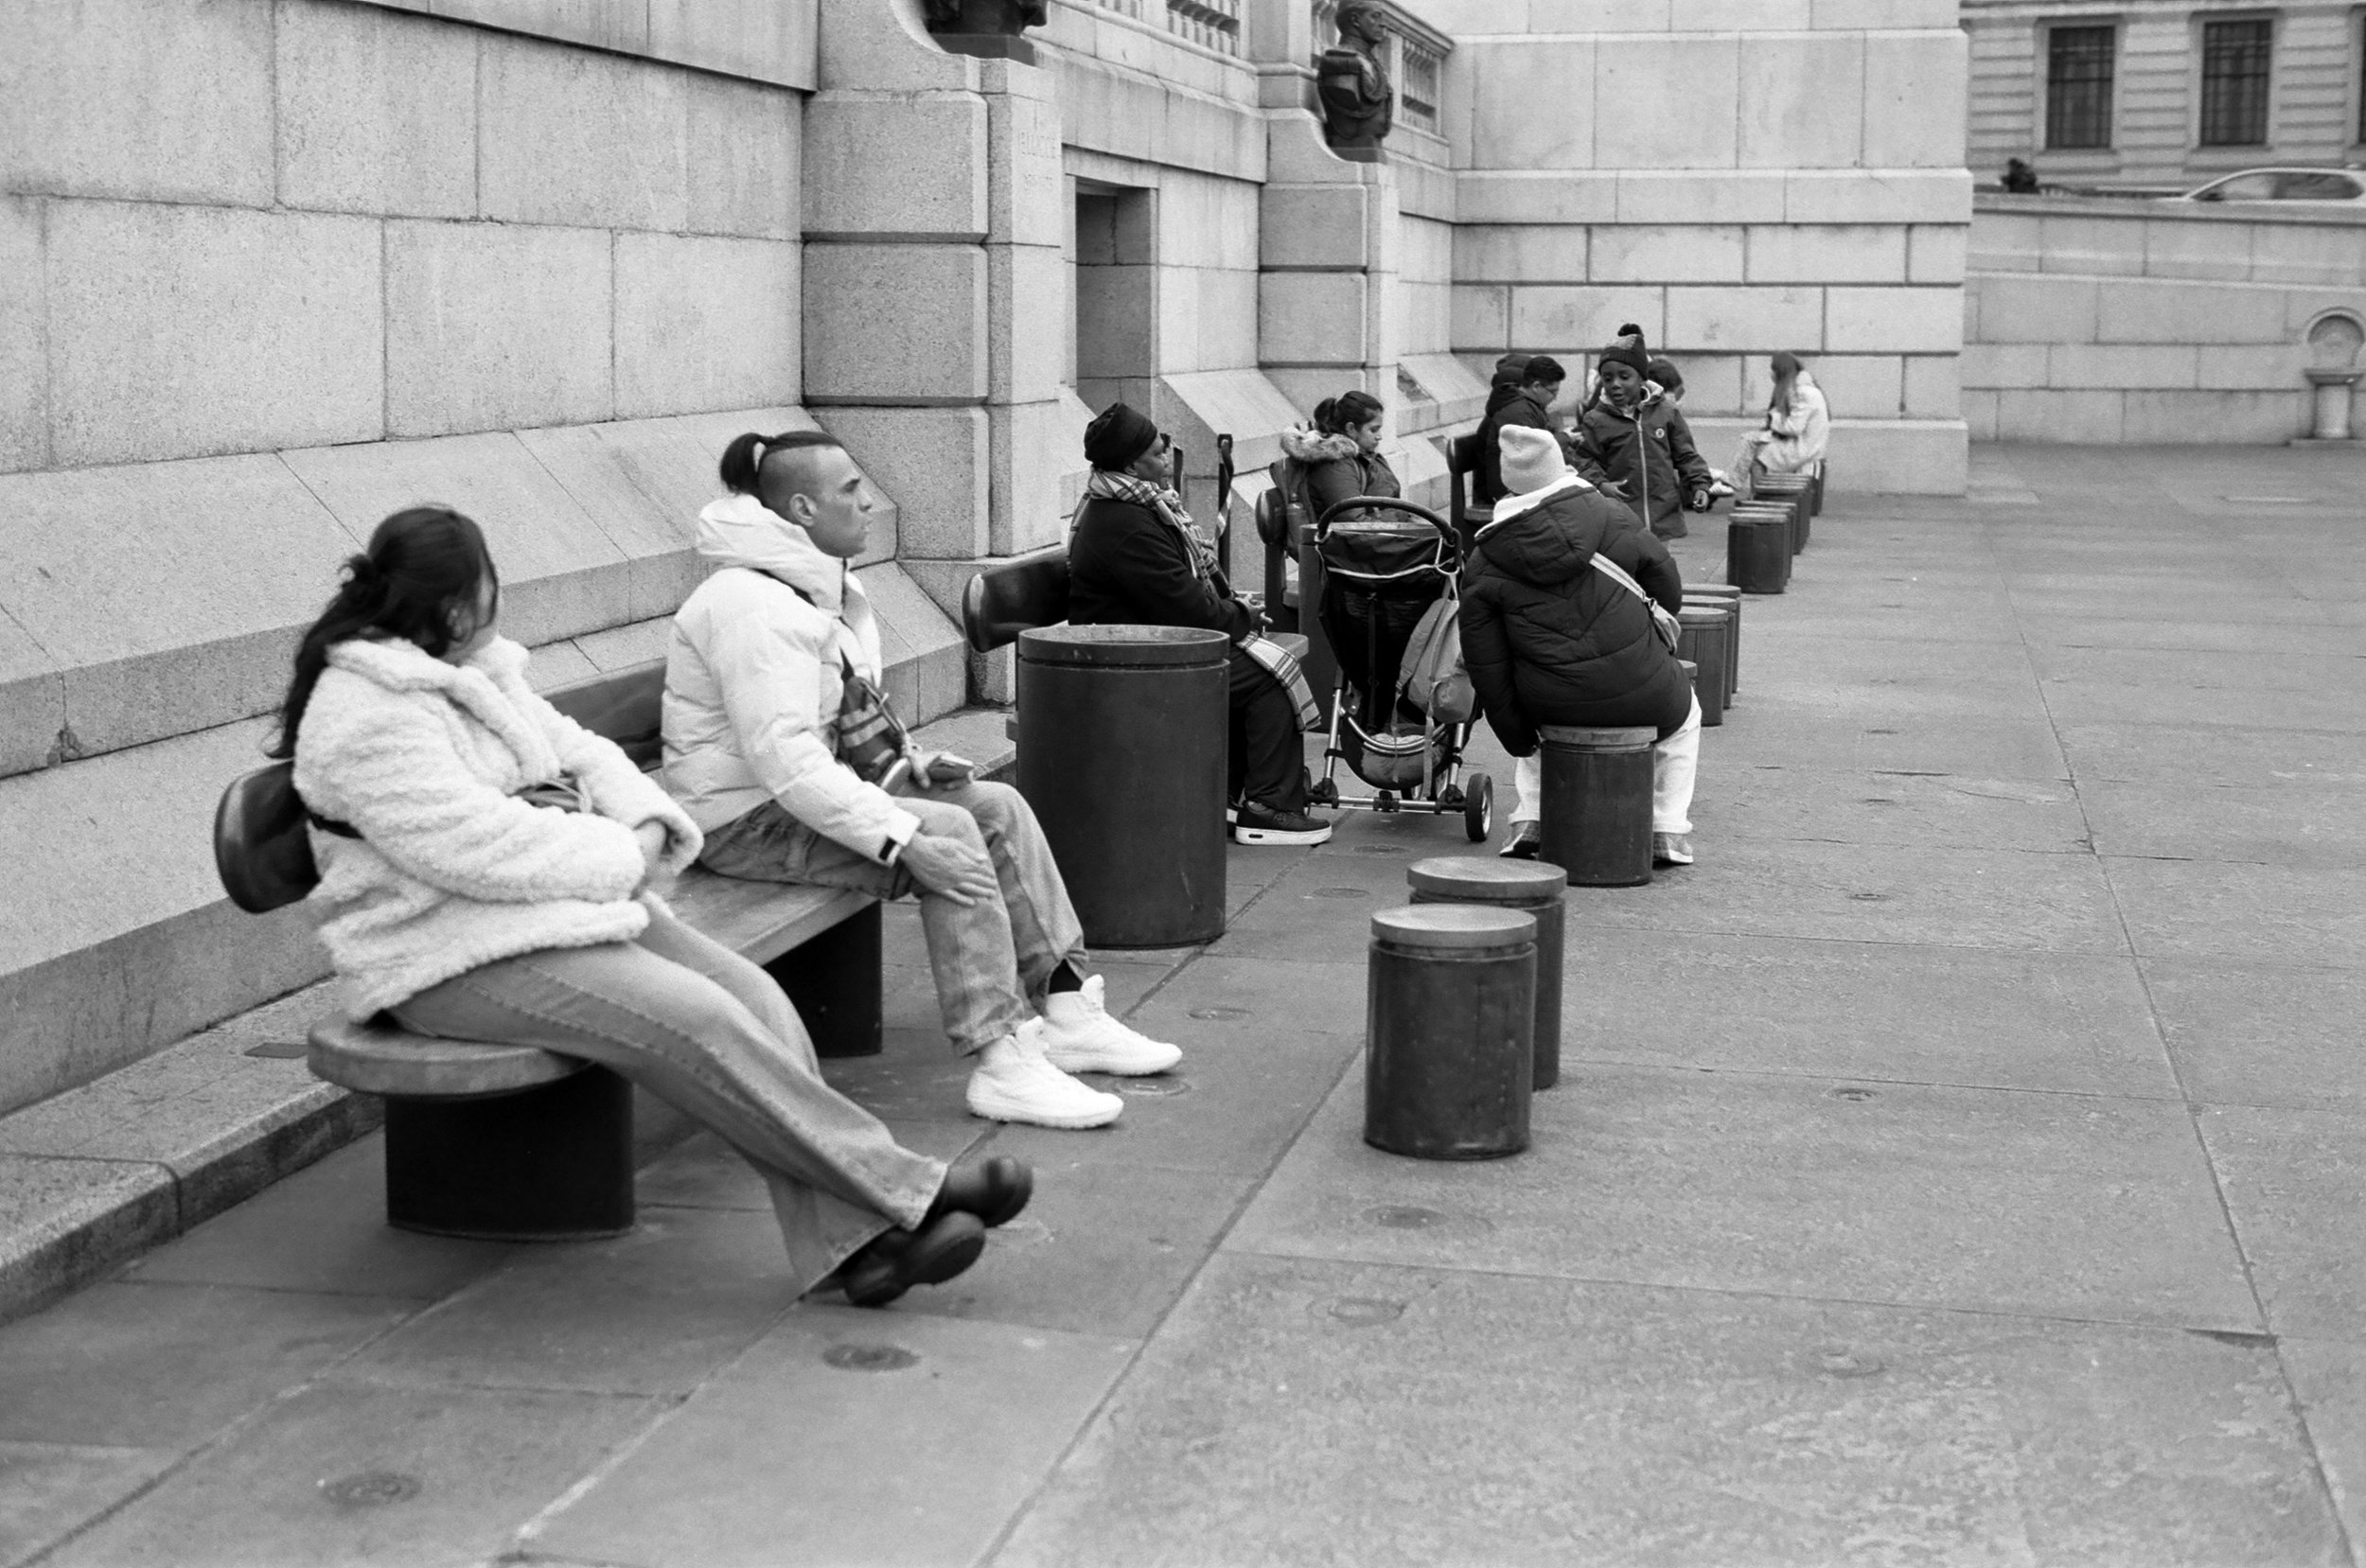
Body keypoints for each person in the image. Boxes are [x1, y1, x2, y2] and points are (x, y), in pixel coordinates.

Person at [284, 506, 1027, 1309]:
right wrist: (622, 855)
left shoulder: (473, 667)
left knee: (757, 1000)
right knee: (698, 1021)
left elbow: (583, 750)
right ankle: (909, 1193)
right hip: (438, 951)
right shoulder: (366, 710)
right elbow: (470, 846)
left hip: (540, 918)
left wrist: (641, 821)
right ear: (457, 604)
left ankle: (859, 1249)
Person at [662, 431, 1181, 1135]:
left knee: (995, 804)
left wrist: (909, 764)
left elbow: (837, 718)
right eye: (851, 488)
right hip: (741, 824)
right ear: (805, 507)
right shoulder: (754, 604)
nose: (869, 500)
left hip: (794, 800)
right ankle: (1001, 1058)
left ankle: (1065, 1009)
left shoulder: (810, 583)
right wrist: (901, 834)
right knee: (951, 837)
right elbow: (785, 760)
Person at [1067, 401, 1333, 848]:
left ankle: (1230, 794)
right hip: (1131, 657)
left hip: (1146, 641)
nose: (1166, 459)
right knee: (1268, 677)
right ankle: (1269, 808)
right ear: (1132, 464)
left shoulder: (1135, 506)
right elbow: (1190, 612)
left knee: (1256, 663)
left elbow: (1185, 597)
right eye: (1157, 453)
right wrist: (1243, 616)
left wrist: (1235, 612)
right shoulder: (1128, 523)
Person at [1460, 428, 1703, 867]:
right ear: (1559, 469)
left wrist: (1516, 735)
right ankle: (1667, 828)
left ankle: (1530, 819)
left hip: (1550, 703)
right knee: (1686, 720)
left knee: (1529, 714)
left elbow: (1488, 666)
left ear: (1508, 483)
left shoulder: (1484, 560)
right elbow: (1667, 587)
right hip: (1644, 691)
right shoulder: (1612, 515)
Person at [1572, 325, 1714, 541]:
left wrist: (1700, 485)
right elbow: (1585, 460)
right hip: (1620, 517)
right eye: (1608, 378)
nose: (1615, 385)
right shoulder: (1596, 420)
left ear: (1641, 378)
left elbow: (1686, 455)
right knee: (1628, 571)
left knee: (1659, 571)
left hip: (1661, 516)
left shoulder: (1667, 412)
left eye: (1624, 377)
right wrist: (1602, 485)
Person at [1471, 355, 1611, 505]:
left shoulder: (1528, 407)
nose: (1555, 398)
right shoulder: (1518, 412)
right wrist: (1566, 439)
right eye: (1553, 392)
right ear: (1536, 386)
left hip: (1519, 484)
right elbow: (1538, 451)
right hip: (1508, 491)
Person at [1280, 389, 1401, 524]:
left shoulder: (1364, 456)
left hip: (1386, 536)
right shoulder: (1335, 464)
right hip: (1364, 541)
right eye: (1373, 430)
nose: (1379, 437)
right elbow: (1353, 524)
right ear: (1351, 428)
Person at [1731, 351, 1830, 484]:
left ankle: (1754, 494)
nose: (1771, 374)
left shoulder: (1801, 393)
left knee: (1757, 455)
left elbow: (1793, 427)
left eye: (1773, 370)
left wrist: (1773, 416)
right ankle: (1732, 483)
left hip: (1803, 450)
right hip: (1806, 446)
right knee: (1750, 440)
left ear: (1780, 371)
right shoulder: (1806, 388)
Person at [1649, 357, 1738, 500]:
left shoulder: (1671, 415)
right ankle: (1704, 485)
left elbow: (1686, 453)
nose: (1677, 401)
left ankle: (1704, 484)